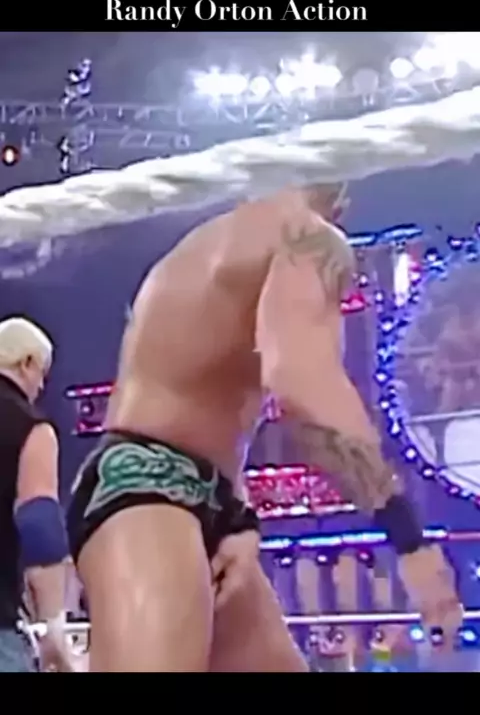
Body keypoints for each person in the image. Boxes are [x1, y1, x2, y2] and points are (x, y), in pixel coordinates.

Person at [67, 184, 462, 672]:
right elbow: (301, 380)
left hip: (197, 494)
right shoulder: (307, 238)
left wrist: (239, 519)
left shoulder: (214, 243)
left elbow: (212, 405)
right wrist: (408, 537)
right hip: (147, 489)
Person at [0, 317, 73, 672]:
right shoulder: (28, 426)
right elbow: (39, 527)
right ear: (26, 362)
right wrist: (53, 630)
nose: (41, 386)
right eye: (42, 374)